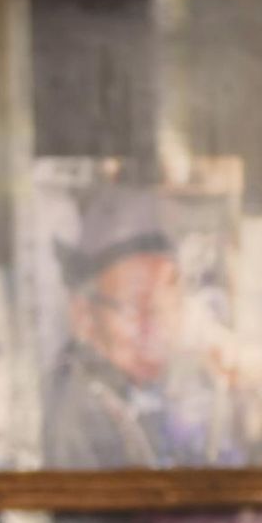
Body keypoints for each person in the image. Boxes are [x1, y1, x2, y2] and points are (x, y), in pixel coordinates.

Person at [44, 187, 190, 468]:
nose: (155, 328)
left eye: (166, 307)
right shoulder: (73, 415)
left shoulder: (158, 389)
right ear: (83, 314)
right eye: (136, 308)